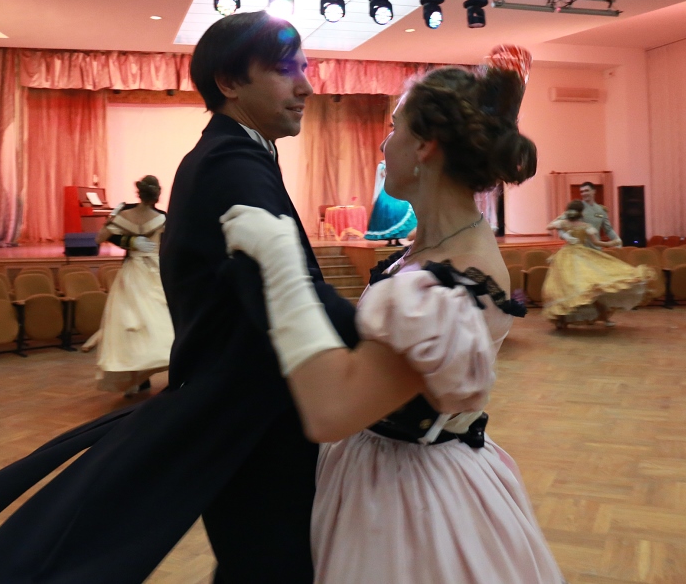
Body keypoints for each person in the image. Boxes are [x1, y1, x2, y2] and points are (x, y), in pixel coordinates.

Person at [0, 13, 359, 583]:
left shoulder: (234, 155)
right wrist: (389, 336)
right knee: (272, 564)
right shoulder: (230, 163)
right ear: (230, 82)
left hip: (244, 414)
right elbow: (288, 293)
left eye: (304, 70)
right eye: (285, 70)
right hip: (253, 420)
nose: (306, 86)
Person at [221, 65, 565, 583]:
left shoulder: (456, 276)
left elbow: (332, 413)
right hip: (375, 470)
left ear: (425, 145)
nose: (384, 146)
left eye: (393, 127)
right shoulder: (430, 251)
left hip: (413, 503)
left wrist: (281, 268)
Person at [81, 175, 173, 397]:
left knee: (129, 325)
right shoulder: (162, 218)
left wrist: (126, 237)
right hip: (154, 272)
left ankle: (136, 378)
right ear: (157, 195)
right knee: (156, 321)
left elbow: (99, 238)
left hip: (132, 273)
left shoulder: (125, 214)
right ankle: (157, 368)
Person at [542, 200, 653, 328]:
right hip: (576, 257)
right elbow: (596, 243)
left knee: (574, 289)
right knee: (587, 288)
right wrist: (611, 243)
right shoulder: (583, 225)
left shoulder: (568, 223)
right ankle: (595, 319)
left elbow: (549, 226)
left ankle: (563, 321)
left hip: (570, 257)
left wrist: (562, 217)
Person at [548, 182, 620, 248]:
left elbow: (608, 230)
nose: (584, 193)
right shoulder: (577, 207)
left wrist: (617, 240)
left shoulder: (601, 210)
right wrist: (564, 235)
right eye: (582, 192)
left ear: (594, 191)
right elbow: (556, 224)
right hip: (579, 250)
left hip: (596, 249)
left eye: (586, 190)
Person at [363, 159, 417, 246]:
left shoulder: (401, 163)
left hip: (399, 190)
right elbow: (383, 175)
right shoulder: (382, 165)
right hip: (387, 191)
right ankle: (390, 239)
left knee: (401, 211)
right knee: (387, 212)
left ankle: (398, 238)